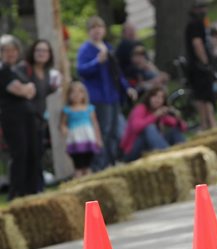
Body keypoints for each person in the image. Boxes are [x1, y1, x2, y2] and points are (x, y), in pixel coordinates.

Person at [77, 16, 137, 171]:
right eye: (93, 28)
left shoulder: (108, 47)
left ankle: (112, 160)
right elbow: (81, 70)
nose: (97, 31)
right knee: (103, 130)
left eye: (100, 27)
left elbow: (117, 72)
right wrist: (97, 61)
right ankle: (100, 165)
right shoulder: (86, 50)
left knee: (114, 131)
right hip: (98, 97)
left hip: (113, 95)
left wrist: (126, 88)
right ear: (89, 31)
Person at [0, 34, 39, 200]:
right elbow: (22, 90)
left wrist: (27, 88)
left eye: (13, 50)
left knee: (32, 152)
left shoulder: (18, 70)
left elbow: (32, 90)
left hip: (27, 117)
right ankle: (17, 193)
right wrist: (27, 88)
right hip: (12, 118)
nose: (11, 54)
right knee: (20, 153)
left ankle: (31, 190)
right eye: (6, 51)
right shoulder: (3, 71)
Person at [20, 39, 61, 191]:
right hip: (24, 119)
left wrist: (54, 88)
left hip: (39, 119)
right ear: (33, 52)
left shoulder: (47, 72)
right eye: (39, 50)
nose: (42, 54)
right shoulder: (24, 69)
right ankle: (23, 189)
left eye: (45, 51)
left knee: (38, 153)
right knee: (26, 155)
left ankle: (38, 187)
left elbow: (41, 93)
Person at [120, 87, 187, 162]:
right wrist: (155, 115)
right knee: (149, 128)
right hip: (132, 151)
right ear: (149, 97)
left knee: (174, 131)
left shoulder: (159, 113)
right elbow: (136, 127)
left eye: (161, 98)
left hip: (149, 148)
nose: (157, 100)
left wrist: (177, 118)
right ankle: (169, 157)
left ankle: (185, 154)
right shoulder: (140, 108)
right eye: (155, 96)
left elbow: (182, 128)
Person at [185, 1, 217, 130]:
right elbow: (197, 43)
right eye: (201, 7)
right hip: (199, 67)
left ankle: (205, 123)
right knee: (206, 96)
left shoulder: (193, 24)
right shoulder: (196, 24)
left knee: (200, 96)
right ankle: (210, 122)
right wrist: (205, 62)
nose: (204, 10)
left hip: (194, 66)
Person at [60, 81, 102, 178]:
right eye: (73, 92)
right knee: (78, 165)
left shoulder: (89, 108)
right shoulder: (67, 110)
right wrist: (64, 129)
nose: (76, 95)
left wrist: (98, 139)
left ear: (84, 94)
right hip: (75, 139)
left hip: (88, 138)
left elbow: (95, 124)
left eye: (79, 92)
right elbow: (62, 124)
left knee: (87, 165)